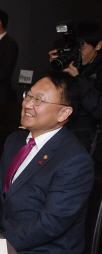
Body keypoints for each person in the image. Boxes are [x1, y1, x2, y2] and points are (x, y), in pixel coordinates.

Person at [0, 72, 94, 254]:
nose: (27, 104)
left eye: (39, 100)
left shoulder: (74, 160)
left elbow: (49, 225)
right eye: (28, 96)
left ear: (64, 112)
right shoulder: (15, 140)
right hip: (4, 238)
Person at [49, 21, 102, 154]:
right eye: (76, 48)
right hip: (64, 129)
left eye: (82, 48)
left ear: (98, 45)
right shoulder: (72, 65)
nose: (78, 53)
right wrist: (57, 70)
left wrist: (78, 78)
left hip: (88, 137)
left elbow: (99, 110)